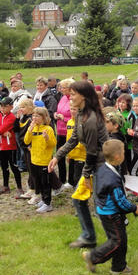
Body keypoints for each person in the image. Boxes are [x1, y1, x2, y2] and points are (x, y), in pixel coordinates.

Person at [49, 81, 109, 249]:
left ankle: (115, 238)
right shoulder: (81, 114)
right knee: (79, 199)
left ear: (84, 96)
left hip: (102, 165)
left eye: (73, 94)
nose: (70, 96)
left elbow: (91, 152)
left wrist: (87, 175)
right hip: (94, 164)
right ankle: (90, 237)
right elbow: (74, 138)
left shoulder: (90, 120)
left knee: (101, 205)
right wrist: (57, 156)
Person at [81, 139, 138, 274]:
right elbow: (120, 202)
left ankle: (118, 267)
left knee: (122, 240)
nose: (124, 154)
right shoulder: (112, 179)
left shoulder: (104, 167)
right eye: (123, 152)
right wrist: (135, 208)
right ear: (117, 156)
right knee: (117, 242)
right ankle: (92, 257)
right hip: (110, 214)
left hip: (106, 210)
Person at [0, 97, 23, 197]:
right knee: (4, 167)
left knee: (14, 167)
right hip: (0, 146)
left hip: (10, 146)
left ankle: (19, 187)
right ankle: (5, 186)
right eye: (1, 106)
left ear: (11, 107)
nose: (2, 108)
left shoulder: (11, 117)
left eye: (5, 106)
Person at [25, 107, 57, 213]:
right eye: (33, 115)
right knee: (38, 182)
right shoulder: (33, 128)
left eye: (37, 116)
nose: (34, 118)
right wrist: (29, 131)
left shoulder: (48, 129)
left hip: (44, 161)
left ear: (44, 117)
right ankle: (43, 200)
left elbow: (53, 144)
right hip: (34, 160)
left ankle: (48, 204)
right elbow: (26, 141)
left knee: (45, 183)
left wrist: (47, 138)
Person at [55, 79, 74, 187]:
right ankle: (62, 179)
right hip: (60, 130)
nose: (61, 89)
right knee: (60, 154)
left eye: (63, 87)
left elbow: (75, 115)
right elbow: (59, 110)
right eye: (60, 87)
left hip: (70, 131)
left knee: (71, 156)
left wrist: (65, 118)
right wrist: (56, 114)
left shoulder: (74, 98)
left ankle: (71, 180)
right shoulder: (62, 98)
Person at [66, 106, 86, 189]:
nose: (72, 111)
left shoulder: (83, 123)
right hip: (71, 153)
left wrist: (76, 146)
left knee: (78, 175)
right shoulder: (69, 122)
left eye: (75, 109)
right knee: (71, 170)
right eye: (71, 109)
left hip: (80, 155)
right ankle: (71, 183)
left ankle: (78, 189)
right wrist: (68, 152)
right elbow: (68, 138)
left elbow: (83, 140)